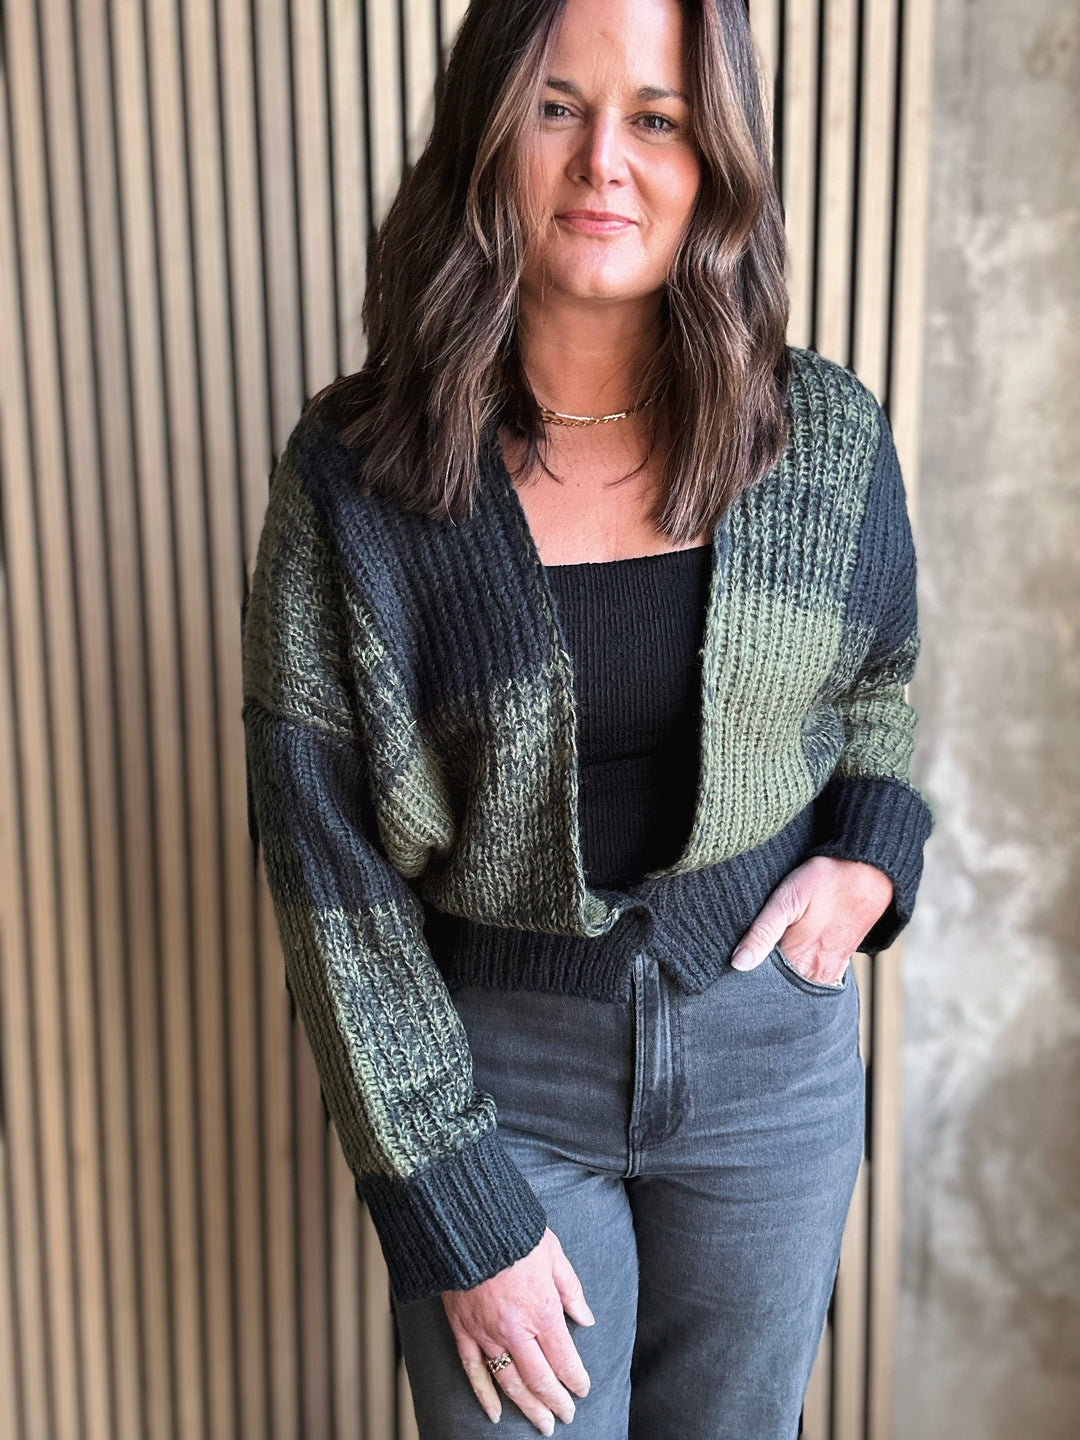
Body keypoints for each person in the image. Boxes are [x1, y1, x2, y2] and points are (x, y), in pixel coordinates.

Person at [240, 0, 935, 1435]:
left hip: (767, 1061)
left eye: (659, 117)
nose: (604, 160)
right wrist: (448, 1193)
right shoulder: (356, 482)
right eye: (557, 107)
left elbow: (878, 687)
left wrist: (870, 852)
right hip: (495, 1080)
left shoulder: (822, 441)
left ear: (714, 157)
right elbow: (329, 875)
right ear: (490, 136)